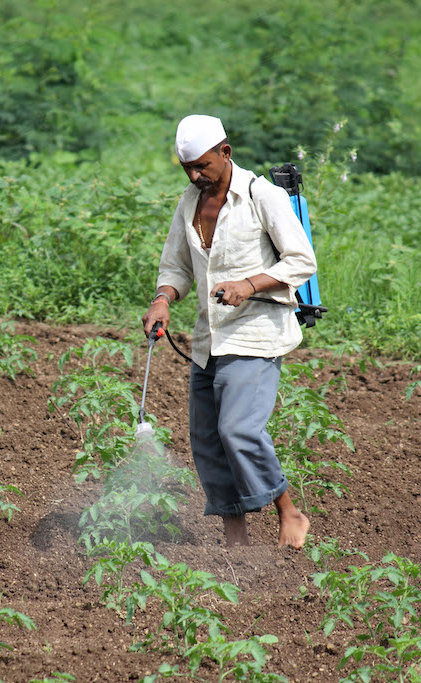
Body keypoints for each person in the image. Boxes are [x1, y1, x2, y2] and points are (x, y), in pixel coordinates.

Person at [141, 114, 316, 549]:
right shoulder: (189, 201)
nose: (197, 176)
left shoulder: (262, 196)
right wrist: (163, 298)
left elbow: (300, 260)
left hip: (255, 332)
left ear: (226, 152)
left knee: (237, 429)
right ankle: (234, 535)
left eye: (203, 166)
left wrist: (248, 284)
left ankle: (289, 512)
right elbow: (175, 266)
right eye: (188, 169)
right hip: (208, 338)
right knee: (206, 439)